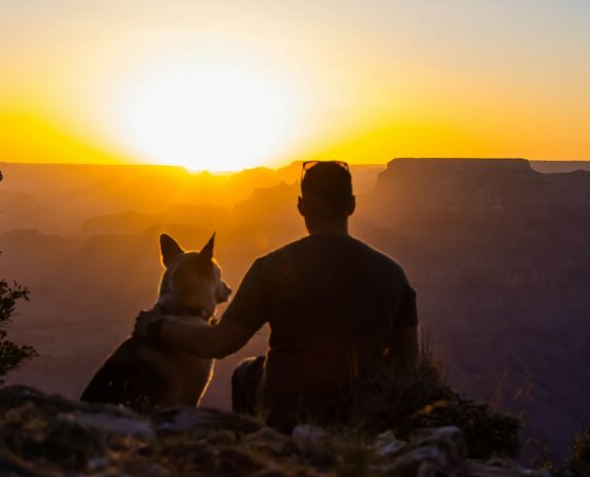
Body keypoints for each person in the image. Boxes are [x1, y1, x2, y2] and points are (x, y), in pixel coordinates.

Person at [135, 160, 419, 429]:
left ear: (301, 206)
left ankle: (259, 445)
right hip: (359, 413)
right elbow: (407, 366)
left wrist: (158, 327)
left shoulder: (272, 267)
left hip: (285, 411)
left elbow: (218, 344)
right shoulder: (394, 275)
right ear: (352, 205)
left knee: (245, 373)